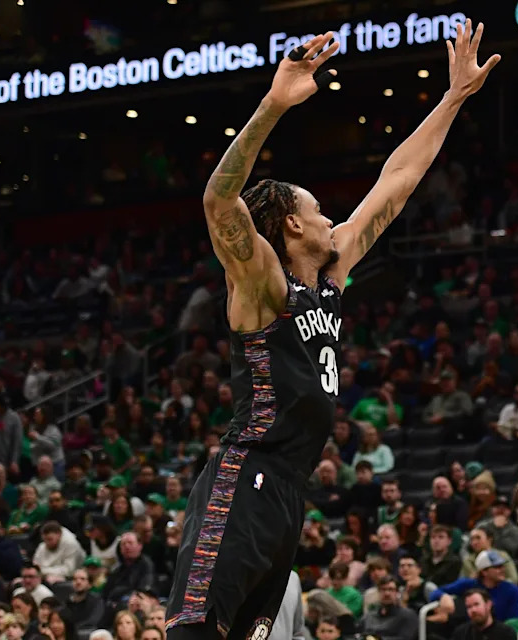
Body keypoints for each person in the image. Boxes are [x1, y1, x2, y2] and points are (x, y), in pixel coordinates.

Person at [165, 18, 499, 640]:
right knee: (194, 632)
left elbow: (395, 185)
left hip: (289, 490)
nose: (331, 220)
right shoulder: (263, 283)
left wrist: (454, 98)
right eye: (319, 212)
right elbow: (218, 201)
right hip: (246, 476)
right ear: (291, 226)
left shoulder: (331, 273)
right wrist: (273, 103)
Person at [359, 576, 418, 640]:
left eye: (391, 589)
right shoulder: (368, 616)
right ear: (378, 592)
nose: (387, 593)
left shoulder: (408, 615)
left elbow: (405, 638)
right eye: (383, 589)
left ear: (397, 593)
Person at [449, 589, 517, 640]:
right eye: (469, 607)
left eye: (476, 604)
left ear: (488, 604)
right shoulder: (461, 634)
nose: (473, 610)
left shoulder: (506, 633)